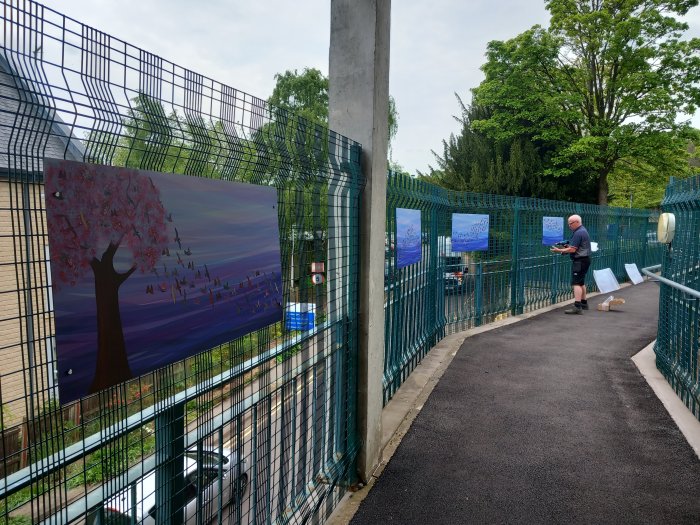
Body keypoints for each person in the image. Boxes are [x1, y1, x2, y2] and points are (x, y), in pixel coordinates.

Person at [550, 214, 591, 314]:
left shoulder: (578, 232)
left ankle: (577, 307)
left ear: (577, 222)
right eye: (568, 223)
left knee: (576, 283)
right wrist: (566, 247)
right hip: (585, 259)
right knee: (581, 282)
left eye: (570, 223)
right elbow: (575, 246)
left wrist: (559, 250)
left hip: (580, 261)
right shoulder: (582, 230)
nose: (569, 225)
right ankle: (584, 303)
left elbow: (573, 249)